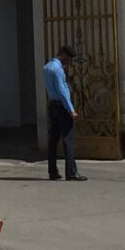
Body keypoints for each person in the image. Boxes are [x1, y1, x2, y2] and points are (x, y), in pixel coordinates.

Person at [43, 46, 85, 181]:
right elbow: (62, 90)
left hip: (52, 105)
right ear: (62, 54)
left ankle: (52, 171)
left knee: (53, 140)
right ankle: (71, 172)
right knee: (68, 140)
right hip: (62, 107)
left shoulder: (47, 67)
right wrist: (71, 109)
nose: (69, 61)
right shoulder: (58, 70)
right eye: (68, 58)